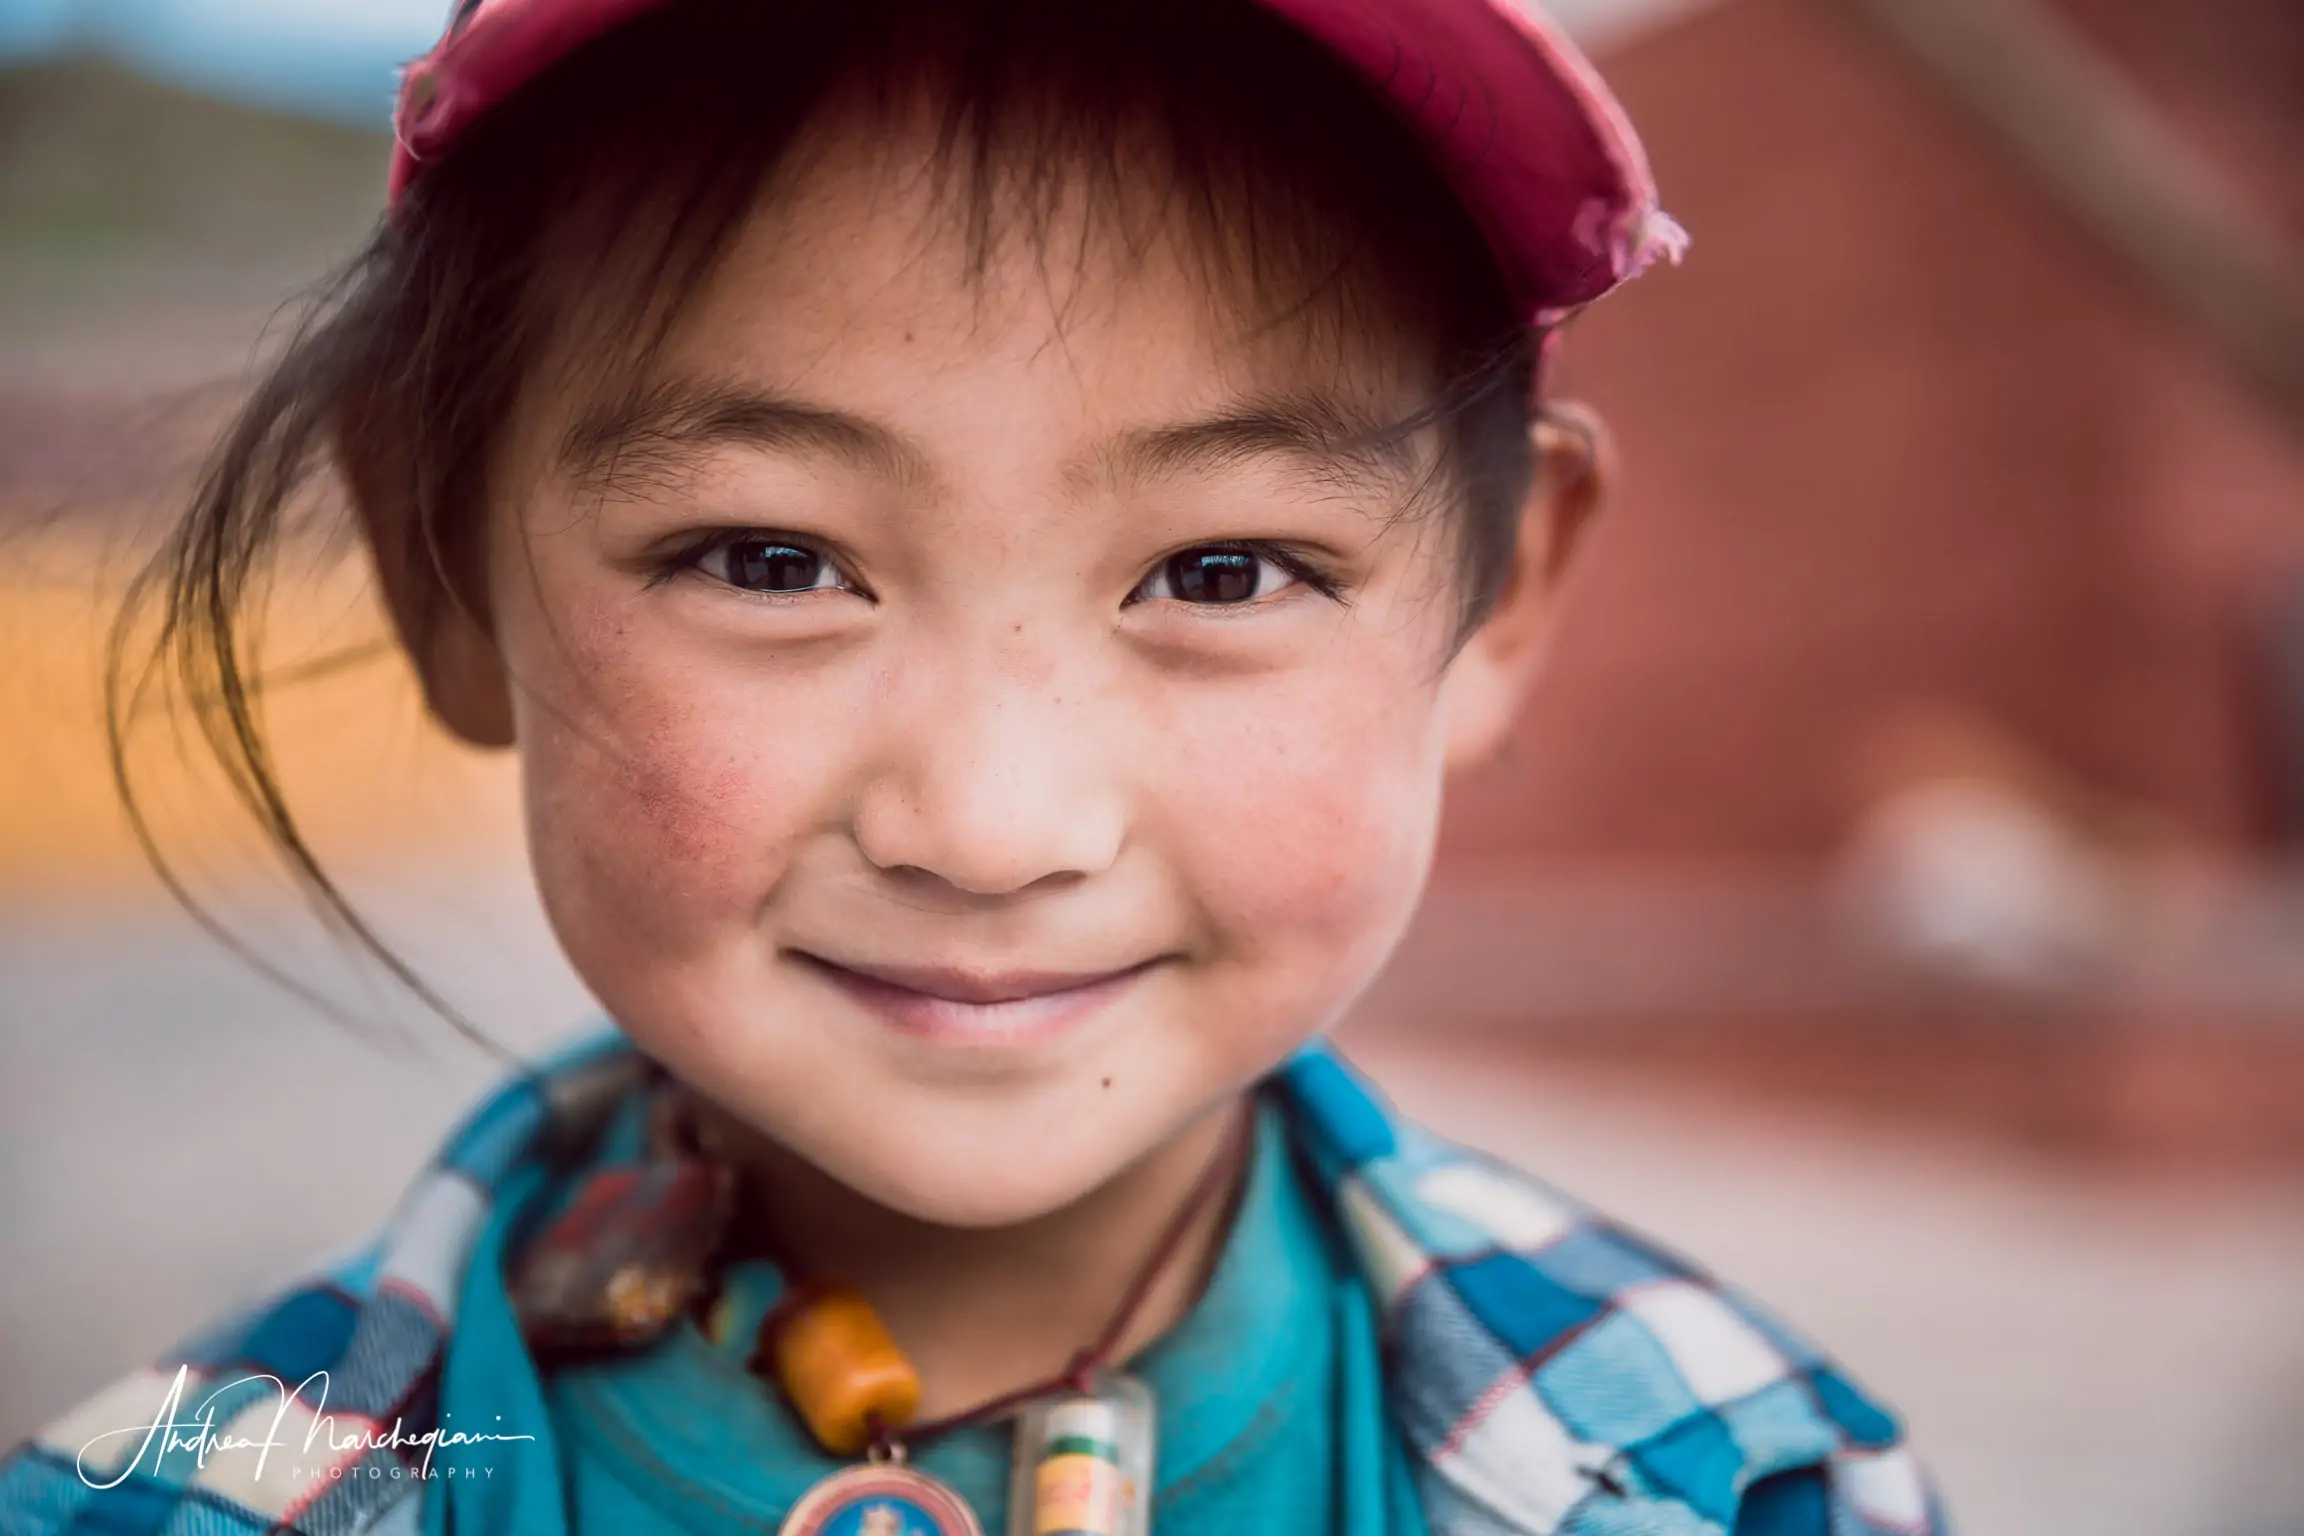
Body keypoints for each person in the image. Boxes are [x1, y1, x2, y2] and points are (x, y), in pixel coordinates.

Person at [0, 1, 1945, 1532]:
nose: (997, 828)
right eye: (769, 561)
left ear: (1496, 608)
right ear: (450, 579)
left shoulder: (1744, 1483)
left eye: (1224, 570)